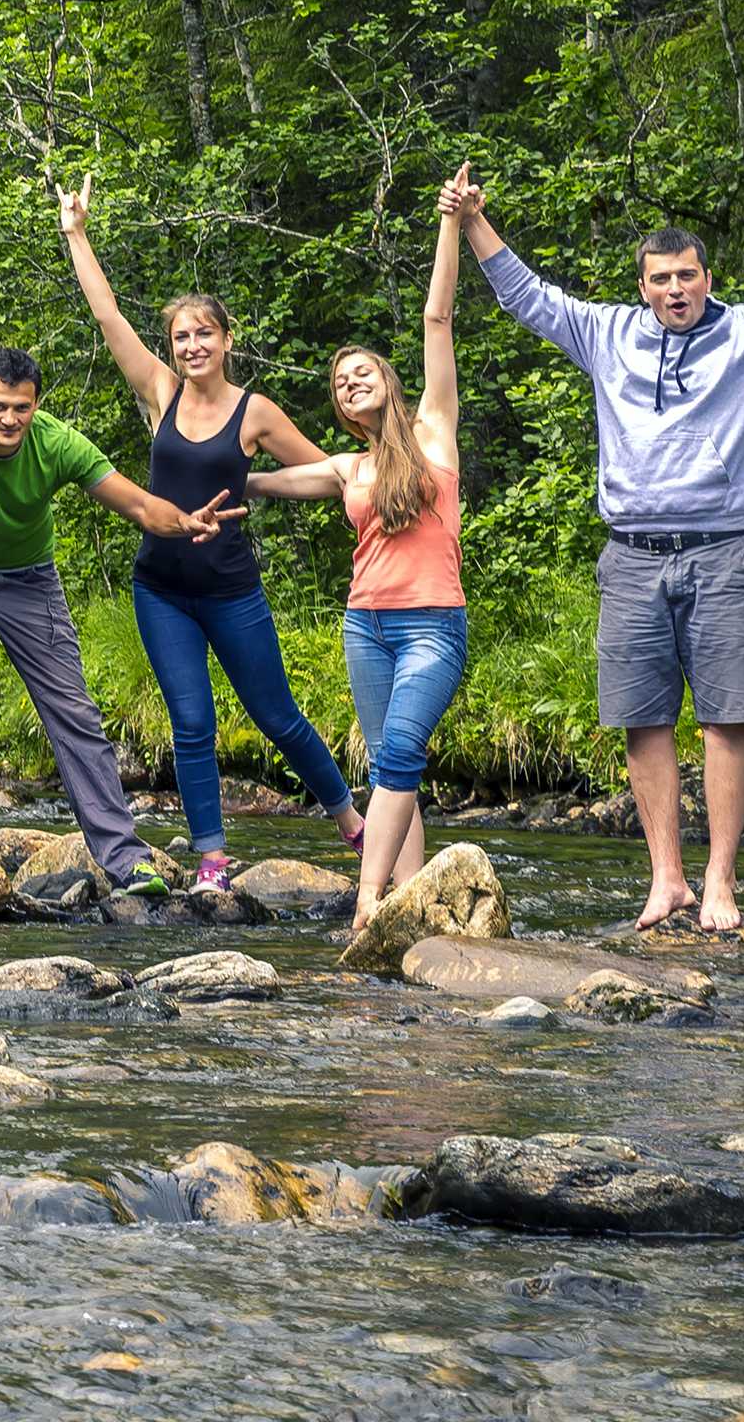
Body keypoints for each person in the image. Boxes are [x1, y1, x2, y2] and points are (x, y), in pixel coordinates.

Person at [459, 165, 744, 932]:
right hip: (632, 555)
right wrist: (476, 218)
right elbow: (527, 298)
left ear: (708, 278)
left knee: (725, 717)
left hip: (723, 552)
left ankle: (719, 882)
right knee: (643, 720)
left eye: (687, 275)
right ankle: (666, 880)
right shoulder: (606, 334)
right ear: (642, 286)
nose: (674, 289)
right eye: (660, 279)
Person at [57, 174, 364, 888]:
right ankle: (212, 860)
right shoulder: (160, 392)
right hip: (161, 589)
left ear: (227, 340)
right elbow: (107, 318)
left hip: (231, 591)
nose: (192, 345)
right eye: (181, 336)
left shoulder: (254, 412)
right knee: (191, 723)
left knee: (279, 718)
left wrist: (256, 483)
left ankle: (352, 820)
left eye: (204, 334)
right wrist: (77, 233)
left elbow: (328, 473)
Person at [0, 346, 241, 888]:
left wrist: (186, 520)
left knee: (73, 708)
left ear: (36, 405)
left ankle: (123, 856)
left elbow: (137, 505)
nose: (10, 419)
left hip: (29, 580)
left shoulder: (58, 443)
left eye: (21, 407)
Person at [248, 169, 474, 922]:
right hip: (364, 627)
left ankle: (369, 900)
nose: (350, 384)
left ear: (390, 380)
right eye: (340, 382)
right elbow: (260, 481)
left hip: (431, 624)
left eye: (362, 372)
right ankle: (413, 906)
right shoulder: (348, 467)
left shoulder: (433, 431)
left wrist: (451, 220)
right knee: (387, 768)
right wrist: (204, 473)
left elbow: (438, 319)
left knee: (402, 752)